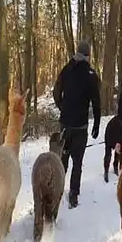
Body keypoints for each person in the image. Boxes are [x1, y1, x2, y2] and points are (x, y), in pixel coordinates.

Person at [52, 41, 101, 209]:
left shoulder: (66, 69)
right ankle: (73, 195)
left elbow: (56, 92)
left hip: (65, 124)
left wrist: (62, 107)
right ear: (88, 55)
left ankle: (57, 191)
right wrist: (97, 123)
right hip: (80, 126)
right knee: (77, 162)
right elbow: (96, 102)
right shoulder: (91, 75)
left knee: (62, 160)